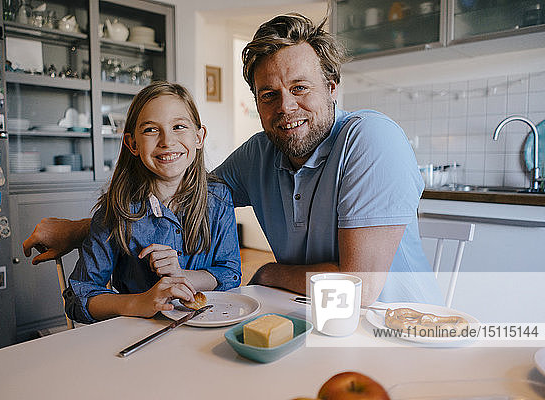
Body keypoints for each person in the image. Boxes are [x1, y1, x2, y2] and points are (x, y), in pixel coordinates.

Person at [24, 14, 442, 307]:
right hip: (306, 315)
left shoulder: (371, 139)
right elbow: (179, 190)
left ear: (332, 87)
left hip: (394, 331)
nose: (286, 107)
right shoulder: (260, 152)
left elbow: (359, 288)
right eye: (269, 95)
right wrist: (85, 229)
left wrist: (266, 274)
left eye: (301, 87)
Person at [62, 82, 241, 323]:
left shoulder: (218, 197)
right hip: (138, 333)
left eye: (179, 126)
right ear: (132, 144)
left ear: (199, 137)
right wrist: (141, 301)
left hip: (208, 328)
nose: (167, 141)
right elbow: (78, 298)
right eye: (150, 130)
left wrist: (181, 275)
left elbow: (229, 273)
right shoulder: (115, 209)